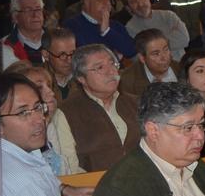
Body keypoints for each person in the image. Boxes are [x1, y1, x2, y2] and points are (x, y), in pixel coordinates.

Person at [54, 44, 142, 173]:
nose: (111, 71)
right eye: (99, 67)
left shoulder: (135, 102)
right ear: (81, 78)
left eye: (113, 64)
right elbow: (69, 167)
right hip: (96, 187)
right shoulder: (66, 112)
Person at [63, 0, 137, 61]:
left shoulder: (115, 25)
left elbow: (132, 51)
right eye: (101, 0)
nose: (107, 4)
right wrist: (114, 57)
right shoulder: (72, 25)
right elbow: (83, 57)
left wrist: (107, 31)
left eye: (109, 0)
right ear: (87, 3)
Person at [122, 0, 189, 60]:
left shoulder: (169, 16)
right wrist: (170, 36)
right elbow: (138, 57)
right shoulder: (130, 29)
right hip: (155, 71)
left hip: (180, 67)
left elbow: (184, 39)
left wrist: (150, 47)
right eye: (133, 2)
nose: (140, 4)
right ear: (128, 8)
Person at [119, 29, 179, 97]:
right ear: (142, 58)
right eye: (156, 54)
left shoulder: (182, 68)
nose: (164, 57)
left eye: (166, 50)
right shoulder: (128, 82)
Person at [0, 0, 48, 68]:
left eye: (38, 9)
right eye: (28, 10)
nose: (35, 15)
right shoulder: (4, 47)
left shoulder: (56, 40)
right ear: (15, 17)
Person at [42, 27, 78, 102]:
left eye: (72, 53)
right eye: (62, 55)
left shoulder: (83, 77)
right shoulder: (37, 83)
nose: (69, 60)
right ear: (46, 55)